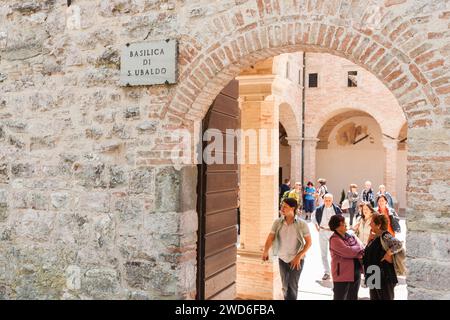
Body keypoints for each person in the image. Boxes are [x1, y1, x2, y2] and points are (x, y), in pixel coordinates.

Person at [262, 198, 312, 300]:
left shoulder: (302, 224)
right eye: (282, 206)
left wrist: (298, 257)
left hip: (297, 260)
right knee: (285, 287)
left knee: (292, 286)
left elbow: (309, 243)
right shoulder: (277, 222)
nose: (282, 208)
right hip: (282, 259)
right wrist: (265, 251)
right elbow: (270, 237)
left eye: (285, 206)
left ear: (292, 208)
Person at [363, 214, 403, 300]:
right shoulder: (375, 236)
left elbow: (399, 244)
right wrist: (369, 240)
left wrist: (388, 253)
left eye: (372, 222)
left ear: (379, 225)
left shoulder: (385, 235)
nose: (370, 224)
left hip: (383, 275)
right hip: (373, 273)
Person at [328, 215, 365, 300]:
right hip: (342, 274)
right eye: (342, 223)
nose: (345, 224)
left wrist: (356, 249)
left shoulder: (349, 235)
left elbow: (361, 246)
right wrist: (357, 250)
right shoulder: (334, 239)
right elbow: (349, 252)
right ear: (336, 227)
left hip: (355, 271)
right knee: (340, 297)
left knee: (353, 296)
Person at [312, 193, 342, 281]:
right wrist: (316, 226)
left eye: (329, 200)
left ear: (332, 200)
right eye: (326, 200)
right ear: (323, 200)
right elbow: (313, 217)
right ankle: (327, 272)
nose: (327, 202)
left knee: (335, 253)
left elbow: (341, 220)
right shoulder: (319, 209)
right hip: (322, 232)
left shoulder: (336, 209)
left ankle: (336, 271)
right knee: (323, 253)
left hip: (333, 233)